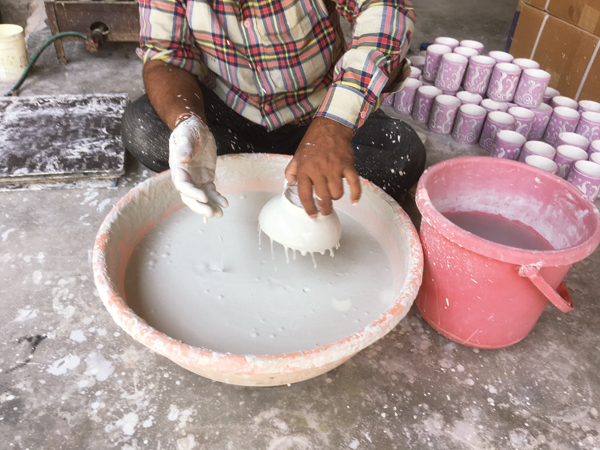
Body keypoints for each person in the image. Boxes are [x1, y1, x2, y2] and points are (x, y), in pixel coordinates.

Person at [122, 0, 426, 219]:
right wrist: (187, 122)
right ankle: (286, 174)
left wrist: (334, 126)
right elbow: (165, 55)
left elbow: (386, 8)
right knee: (145, 129)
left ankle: (263, 174)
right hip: (228, 115)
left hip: (316, 114)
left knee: (401, 154)